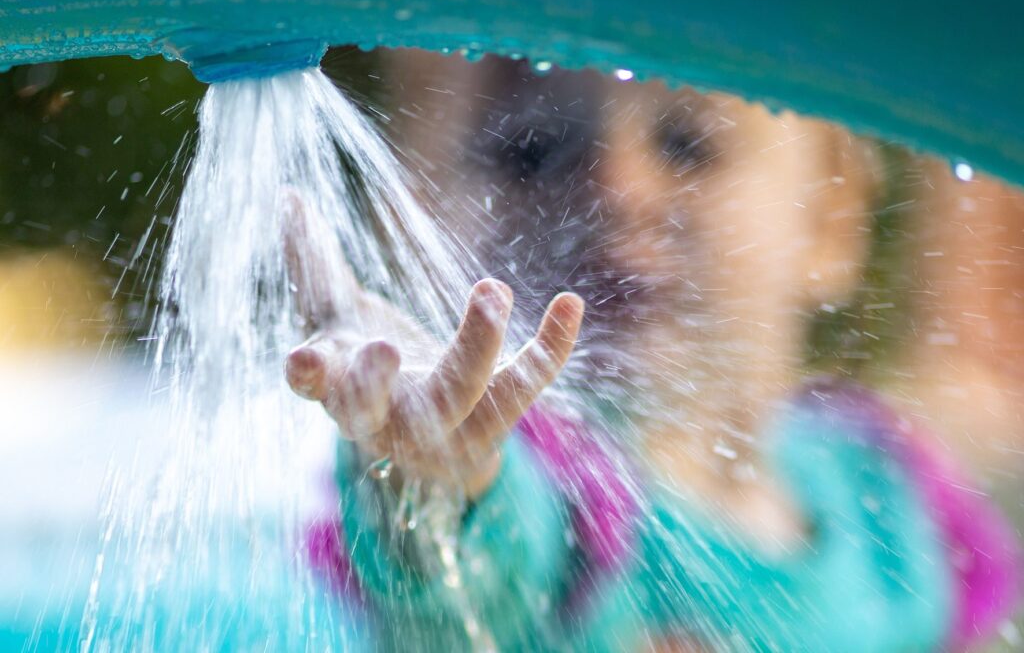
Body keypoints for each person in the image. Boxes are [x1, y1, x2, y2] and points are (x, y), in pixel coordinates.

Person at [288, 53, 1021, 650]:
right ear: (421, 228)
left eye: (688, 145)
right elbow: (465, 576)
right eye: (531, 153)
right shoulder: (556, 487)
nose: (617, 187)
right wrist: (431, 479)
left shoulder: (886, 495)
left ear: (830, 211)